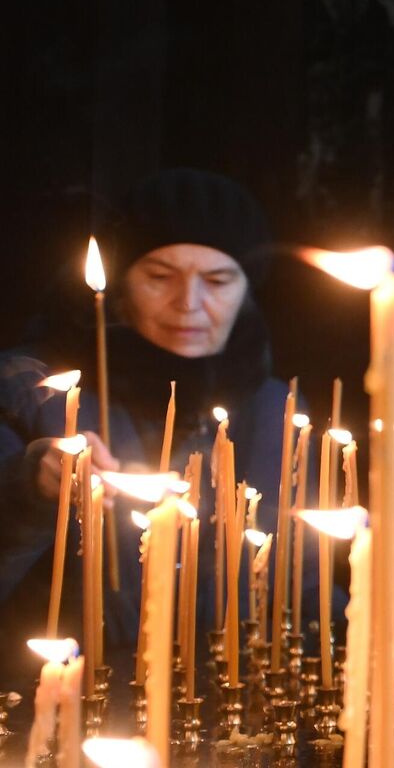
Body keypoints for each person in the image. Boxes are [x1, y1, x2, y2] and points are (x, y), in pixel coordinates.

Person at [0, 168, 308, 687]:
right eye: (160, 276)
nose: (188, 303)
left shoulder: (275, 410)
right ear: (120, 286)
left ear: (247, 291)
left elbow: (309, 587)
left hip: (227, 710)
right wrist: (30, 488)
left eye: (217, 280)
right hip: (57, 700)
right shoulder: (30, 393)